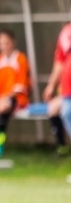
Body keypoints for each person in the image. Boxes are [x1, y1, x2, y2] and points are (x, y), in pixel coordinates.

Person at [43, 20, 71, 153]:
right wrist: (51, 85)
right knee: (66, 113)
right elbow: (59, 61)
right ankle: (63, 145)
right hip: (67, 87)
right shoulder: (66, 33)